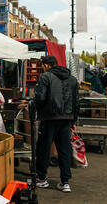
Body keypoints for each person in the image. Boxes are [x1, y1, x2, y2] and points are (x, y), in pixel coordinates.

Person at [34, 56, 78, 193]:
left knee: (44, 148)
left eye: (42, 66)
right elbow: (76, 101)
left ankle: (42, 179)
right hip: (66, 118)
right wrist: (74, 120)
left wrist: (36, 108)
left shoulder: (45, 77)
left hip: (49, 117)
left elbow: (40, 98)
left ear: (46, 65)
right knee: (64, 149)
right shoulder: (72, 79)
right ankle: (65, 182)